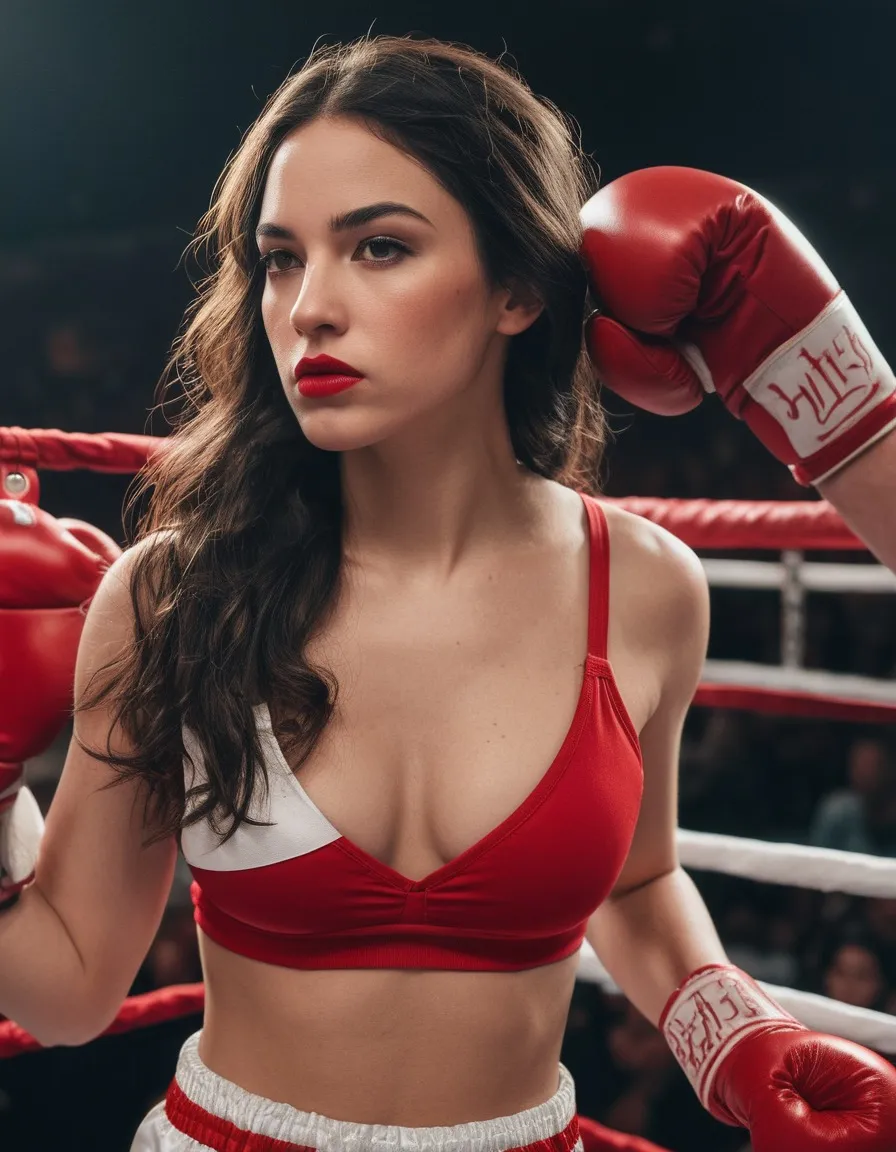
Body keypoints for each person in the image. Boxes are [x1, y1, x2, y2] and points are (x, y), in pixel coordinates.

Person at [1, 32, 895, 1152]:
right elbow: (69, 991)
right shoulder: (175, 589)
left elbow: (633, 880)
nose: (309, 307)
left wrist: (727, 1031)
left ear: (517, 287)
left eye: (378, 247)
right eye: (280, 258)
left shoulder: (646, 586)